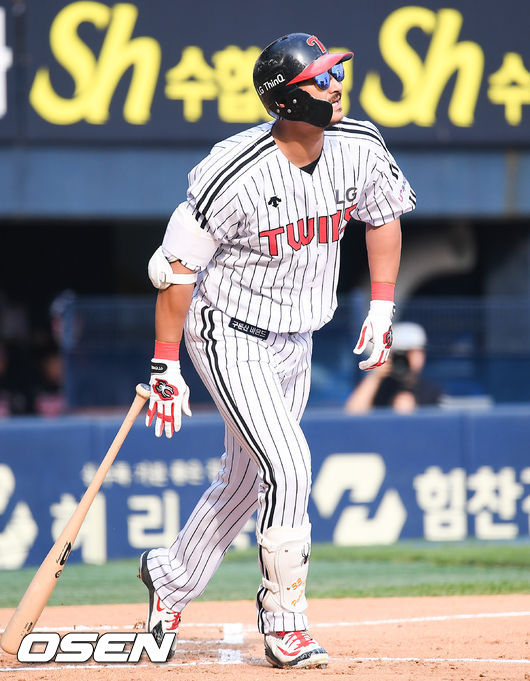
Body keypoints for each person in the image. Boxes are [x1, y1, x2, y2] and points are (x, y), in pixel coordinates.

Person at [138, 32, 416, 669]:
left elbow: (383, 218)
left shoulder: (360, 146)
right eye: (321, 79)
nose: (336, 86)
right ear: (286, 99)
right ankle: (285, 622)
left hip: (298, 338)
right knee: (289, 465)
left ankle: (169, 579)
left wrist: (381, 307)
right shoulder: (232, 171)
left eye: (335, 73)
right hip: (228, 331)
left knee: (244, 482)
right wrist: (165, 362)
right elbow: (175, 271)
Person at [344, 321, 443, 414]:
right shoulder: (381, 386)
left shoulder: (431, 389)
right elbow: (353, 413)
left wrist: (414, 412)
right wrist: (375, 376)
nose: (414, 357)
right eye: (404, 353)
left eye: (418, 351)